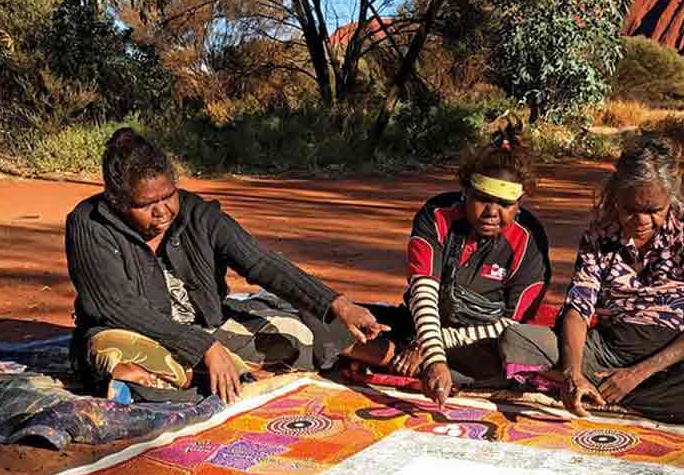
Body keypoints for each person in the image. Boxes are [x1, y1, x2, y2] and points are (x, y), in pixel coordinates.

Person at [65, 127, 386, 404]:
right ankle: (160, 375)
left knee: (295, 332)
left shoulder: (198, 214)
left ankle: (173, 378)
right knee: (109, 350)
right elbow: (116, 307)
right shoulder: (88, 224)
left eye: (168, 196)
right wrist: (204, 347)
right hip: (133, 333)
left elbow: (261, 262)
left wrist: (337, 303)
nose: (161, 211)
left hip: (206, 328)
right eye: (145, 205)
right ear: (117, 202)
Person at [500, 138, 684, 424]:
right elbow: (578, 308)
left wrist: (637, 374)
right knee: (518, 341)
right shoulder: (600, 232)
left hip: (674, 360)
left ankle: (613, 394)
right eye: (630, 209)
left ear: (671, 196)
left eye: (653, 211)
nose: (641, 221)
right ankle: (609, 393)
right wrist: (573, 372)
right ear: (615, 197)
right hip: (606, 351)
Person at [345, 122, 550, 406]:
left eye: (504, 204)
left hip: (477, 343)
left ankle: (387, 356)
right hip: (418, 324)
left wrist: (430, 349)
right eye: (482, 199)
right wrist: (433, 352)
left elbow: (511, 324)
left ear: (519, 203)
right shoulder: (437, 215)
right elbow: (423, 294)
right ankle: (397, 356)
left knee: (528, 350)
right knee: (335, 318)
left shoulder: (531, 242)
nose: (492, 212)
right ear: (466, 190)